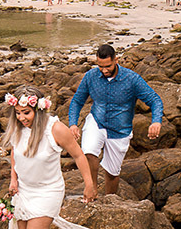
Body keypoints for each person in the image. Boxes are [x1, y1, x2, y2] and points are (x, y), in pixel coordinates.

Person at [3, 86, 99, 229]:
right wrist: (13, 180)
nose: (21, 117)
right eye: (18, 112)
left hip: (47, 192)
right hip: (23, 190)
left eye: (26, 112)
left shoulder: (55, 129)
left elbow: (78, 155)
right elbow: (15, 153)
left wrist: (89, 185)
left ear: (39, 110)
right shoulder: (18, 127)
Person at [68, 44, 163, 196]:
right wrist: (73, 124)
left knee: (112, 173)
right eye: (100, 66)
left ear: (116, 60)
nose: (104, 70)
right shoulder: (91, 76)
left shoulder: (132, 79)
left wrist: (156, 121)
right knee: (89, 152)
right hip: (96, 121)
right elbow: (77, 101)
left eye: (108, 66)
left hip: (120, 130)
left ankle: (109, 199)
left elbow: (154, 100)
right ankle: (91, 190)